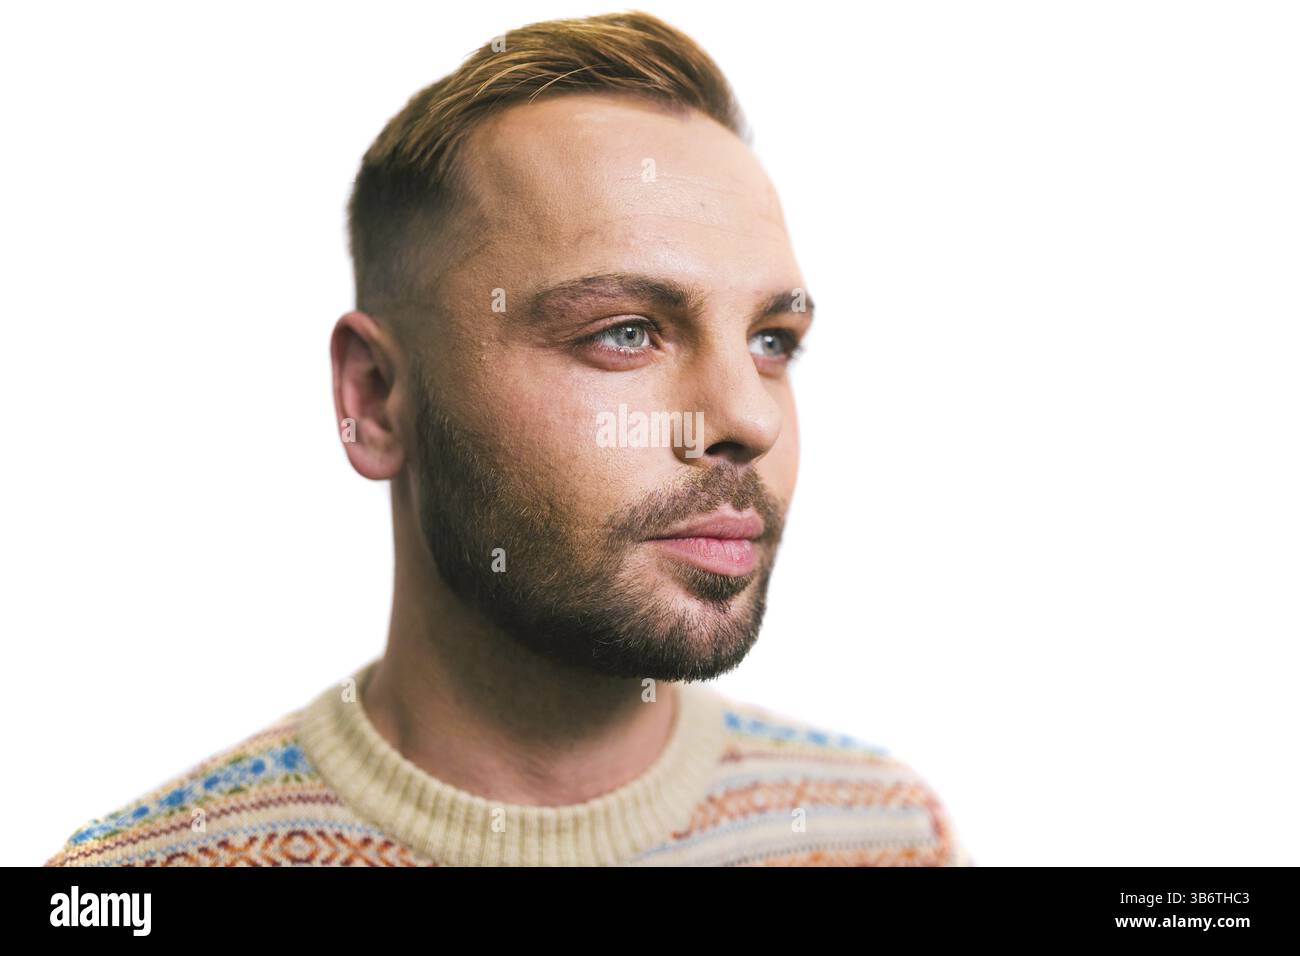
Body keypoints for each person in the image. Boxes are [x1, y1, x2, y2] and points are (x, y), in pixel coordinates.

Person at [46, 10, 971, 867]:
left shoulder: (881, 836)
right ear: (374, 399)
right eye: (625, 332)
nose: (748, 419)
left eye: (772, 342)